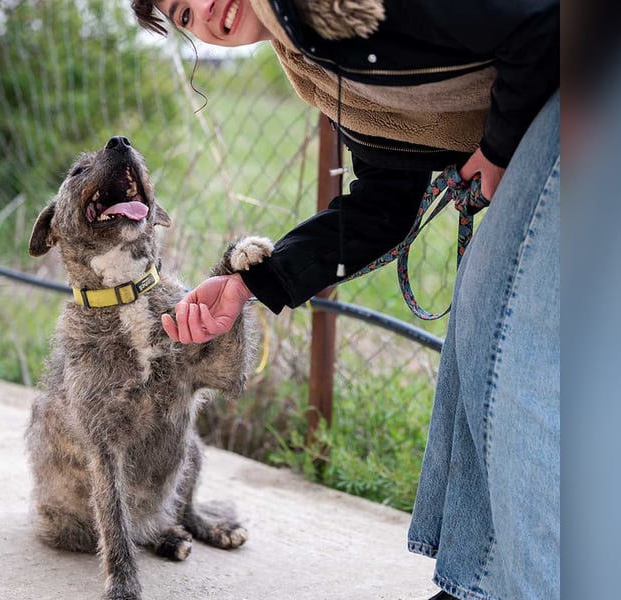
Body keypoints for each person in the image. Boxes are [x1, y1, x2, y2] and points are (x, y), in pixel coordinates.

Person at [131, 1, 560, 599]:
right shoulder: (313, 57)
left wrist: (498, 146)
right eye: (182, 18)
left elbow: (541, 19)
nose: (203, 13)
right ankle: (481, 583)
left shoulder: (332, 9)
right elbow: (382, 204)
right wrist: (252, 282)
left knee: (511, 340)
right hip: (548, 108)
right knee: (480, 328)